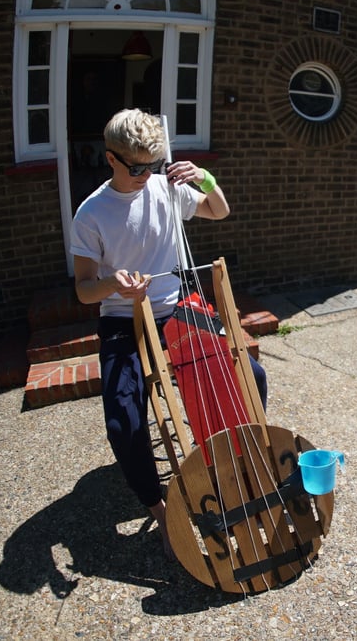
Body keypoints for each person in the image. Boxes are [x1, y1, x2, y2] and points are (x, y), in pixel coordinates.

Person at [70, 109, 268, 558]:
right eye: (135, 167)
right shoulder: (91, 213)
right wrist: (112, 283)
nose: (145, 175)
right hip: (123, 319)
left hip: (174, 310)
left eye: (152, 165)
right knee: (124, 420)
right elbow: (83, 291)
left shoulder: (166, 188)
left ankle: (228, 460)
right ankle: (161, 508)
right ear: (110, 159)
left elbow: (220, 211)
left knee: (252, 377)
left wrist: (204, 178)